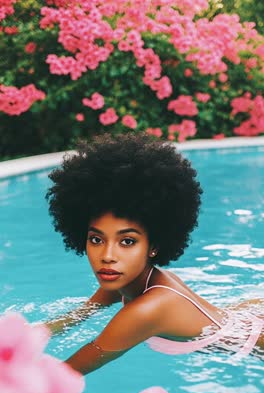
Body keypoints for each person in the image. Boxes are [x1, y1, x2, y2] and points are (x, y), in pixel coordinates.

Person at [46, 133, 263, 375]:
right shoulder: (122, 278)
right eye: (96, 239)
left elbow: (63, 376)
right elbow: (76, 316)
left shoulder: (147, 310)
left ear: (154, 245)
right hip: (245, 315)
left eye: (127, 241)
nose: (107, 255)